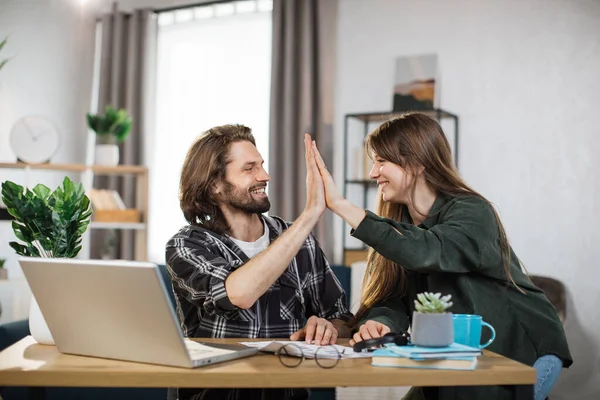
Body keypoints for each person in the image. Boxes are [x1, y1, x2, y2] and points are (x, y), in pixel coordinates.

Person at [309, 113, 572, 400]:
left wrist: (340, 205)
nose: (373, 173)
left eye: (382, 161)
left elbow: (429, 251)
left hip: (522, 351)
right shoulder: (400, 230)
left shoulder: (473, 211)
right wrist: (382, 322)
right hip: (455, 356)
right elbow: (392, 297)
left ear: (418, 163)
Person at [166, 124, 353, 400]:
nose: (264, 176)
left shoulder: (301, 241)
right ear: (215, 185)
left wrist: (329, 328)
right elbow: (238, 293)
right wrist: (310, 214)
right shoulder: (187, 244)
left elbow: (343, 318)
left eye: (261, 165)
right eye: (249, 168)